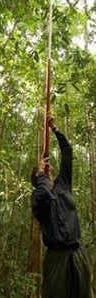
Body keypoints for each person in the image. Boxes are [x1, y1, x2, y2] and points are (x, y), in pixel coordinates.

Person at [31, 114, 93, 298]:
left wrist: (54, 129)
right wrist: (41, 173)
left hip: (78, 253)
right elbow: (43, 193)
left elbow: (68, 153)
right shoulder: (38, 196)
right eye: (42, 171)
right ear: (37, 179)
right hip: (57, 260)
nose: (48, 170)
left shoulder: (63, 184)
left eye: (48, 169)